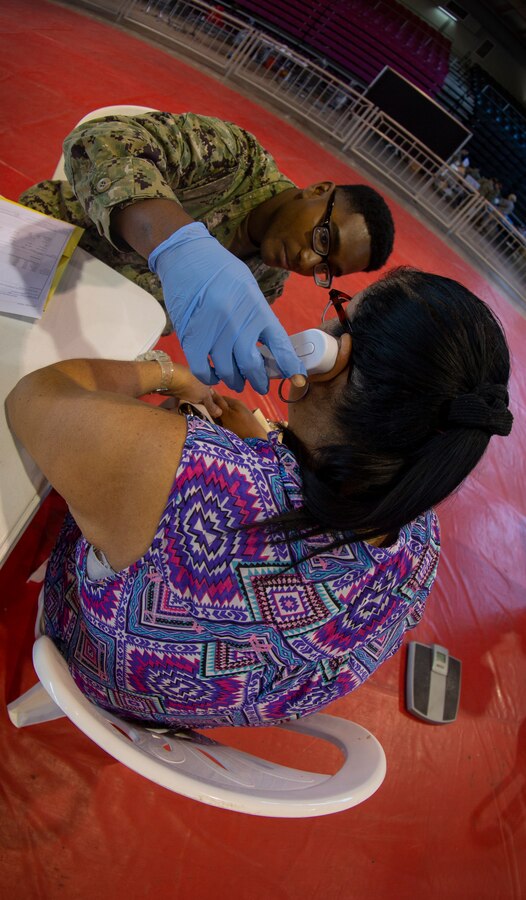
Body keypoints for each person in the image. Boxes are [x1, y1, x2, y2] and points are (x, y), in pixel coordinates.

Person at [6, 268, 513, 730]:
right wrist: (265, 449)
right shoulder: (419, 536)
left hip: (95, 668)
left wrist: (168, 374)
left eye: (340, 314)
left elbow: (32, 395)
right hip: (192, 706)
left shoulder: (192, 473)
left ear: (329, 358)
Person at [19, 111, 394, 393]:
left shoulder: (264, 283)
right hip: (43, 249)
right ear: (318, 190)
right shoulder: (235, 159)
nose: (308, 261)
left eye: (326, 267)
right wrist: (177, 243)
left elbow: (168, 320)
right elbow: (101, 139)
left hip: (88, 320)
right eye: (324, 240)